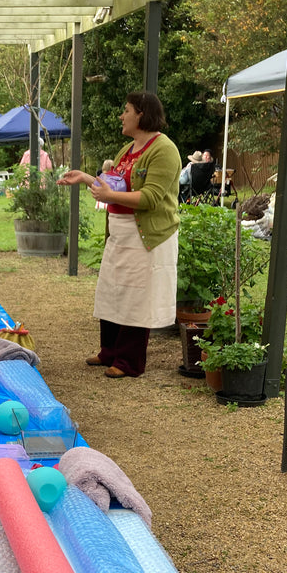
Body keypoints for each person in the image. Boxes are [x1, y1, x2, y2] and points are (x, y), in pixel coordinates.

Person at [59, 90, 181, 380]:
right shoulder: (127, 150)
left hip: (147, 237)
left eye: (126, 110)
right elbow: (115, 184)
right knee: (113, 291)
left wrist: (109, 192)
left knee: (137, 296)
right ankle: (109, 351)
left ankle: (129, 361)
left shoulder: (164, 149)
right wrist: (86, 178)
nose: (121, 115)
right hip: (122, 235)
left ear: (141, 113)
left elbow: (151, 197)